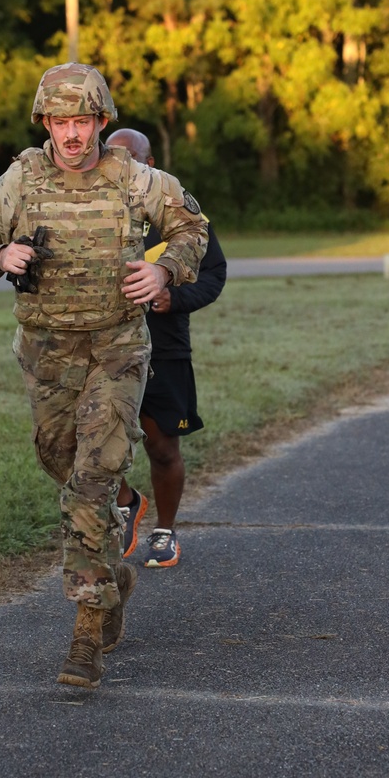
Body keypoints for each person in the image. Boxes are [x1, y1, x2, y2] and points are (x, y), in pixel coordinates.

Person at [0, 64, 207, 691]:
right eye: (61, 122)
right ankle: (115, 577)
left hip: (118, 346)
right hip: (46, 352)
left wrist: (166, 270)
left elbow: (191, 228)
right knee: (59, 460)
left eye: (84, 121)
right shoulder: (20, 180)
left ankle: (87, 631)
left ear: (102, 121)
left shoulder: (135, 178)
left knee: (93, 484)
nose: (73, 134)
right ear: (46, 123)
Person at [107, 130, 227, 568]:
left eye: (131, 160)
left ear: (150, 162)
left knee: (161, 447)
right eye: (113, 158)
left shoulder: (176, 209)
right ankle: (126, 502)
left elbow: (214, 274)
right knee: (102, 443)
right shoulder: (93, 208)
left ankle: (165, 531)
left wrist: (173, 298)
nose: (121, 167)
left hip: (164, 348)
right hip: (106, 347)